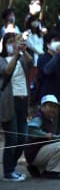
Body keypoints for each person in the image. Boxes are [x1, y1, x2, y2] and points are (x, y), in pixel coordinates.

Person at [0, 32, 33, 182]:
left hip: (22, 101)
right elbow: (7, 71)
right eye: (10, 42)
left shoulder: (21, 58)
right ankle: (8, 172)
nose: (13, 44)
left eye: (15, 41)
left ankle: (11, 169)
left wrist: (23, 50)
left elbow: (31, 62)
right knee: (12, 138)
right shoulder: (1, 59)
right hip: (9, 103)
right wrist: (15, 55)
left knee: (23, 138)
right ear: (5, 44)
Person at [24, 95, 60, 180]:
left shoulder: (48, 118)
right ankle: (51, 172)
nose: (53, 109)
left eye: (55, 107)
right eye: (50, 106)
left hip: (35, 152)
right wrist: (45, 135)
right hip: (33, 153)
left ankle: (37, 168)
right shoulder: (39, 118)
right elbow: (31, 129)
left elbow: (50, 137)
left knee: (58, 144)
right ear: (43, 106)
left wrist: (58, 136)